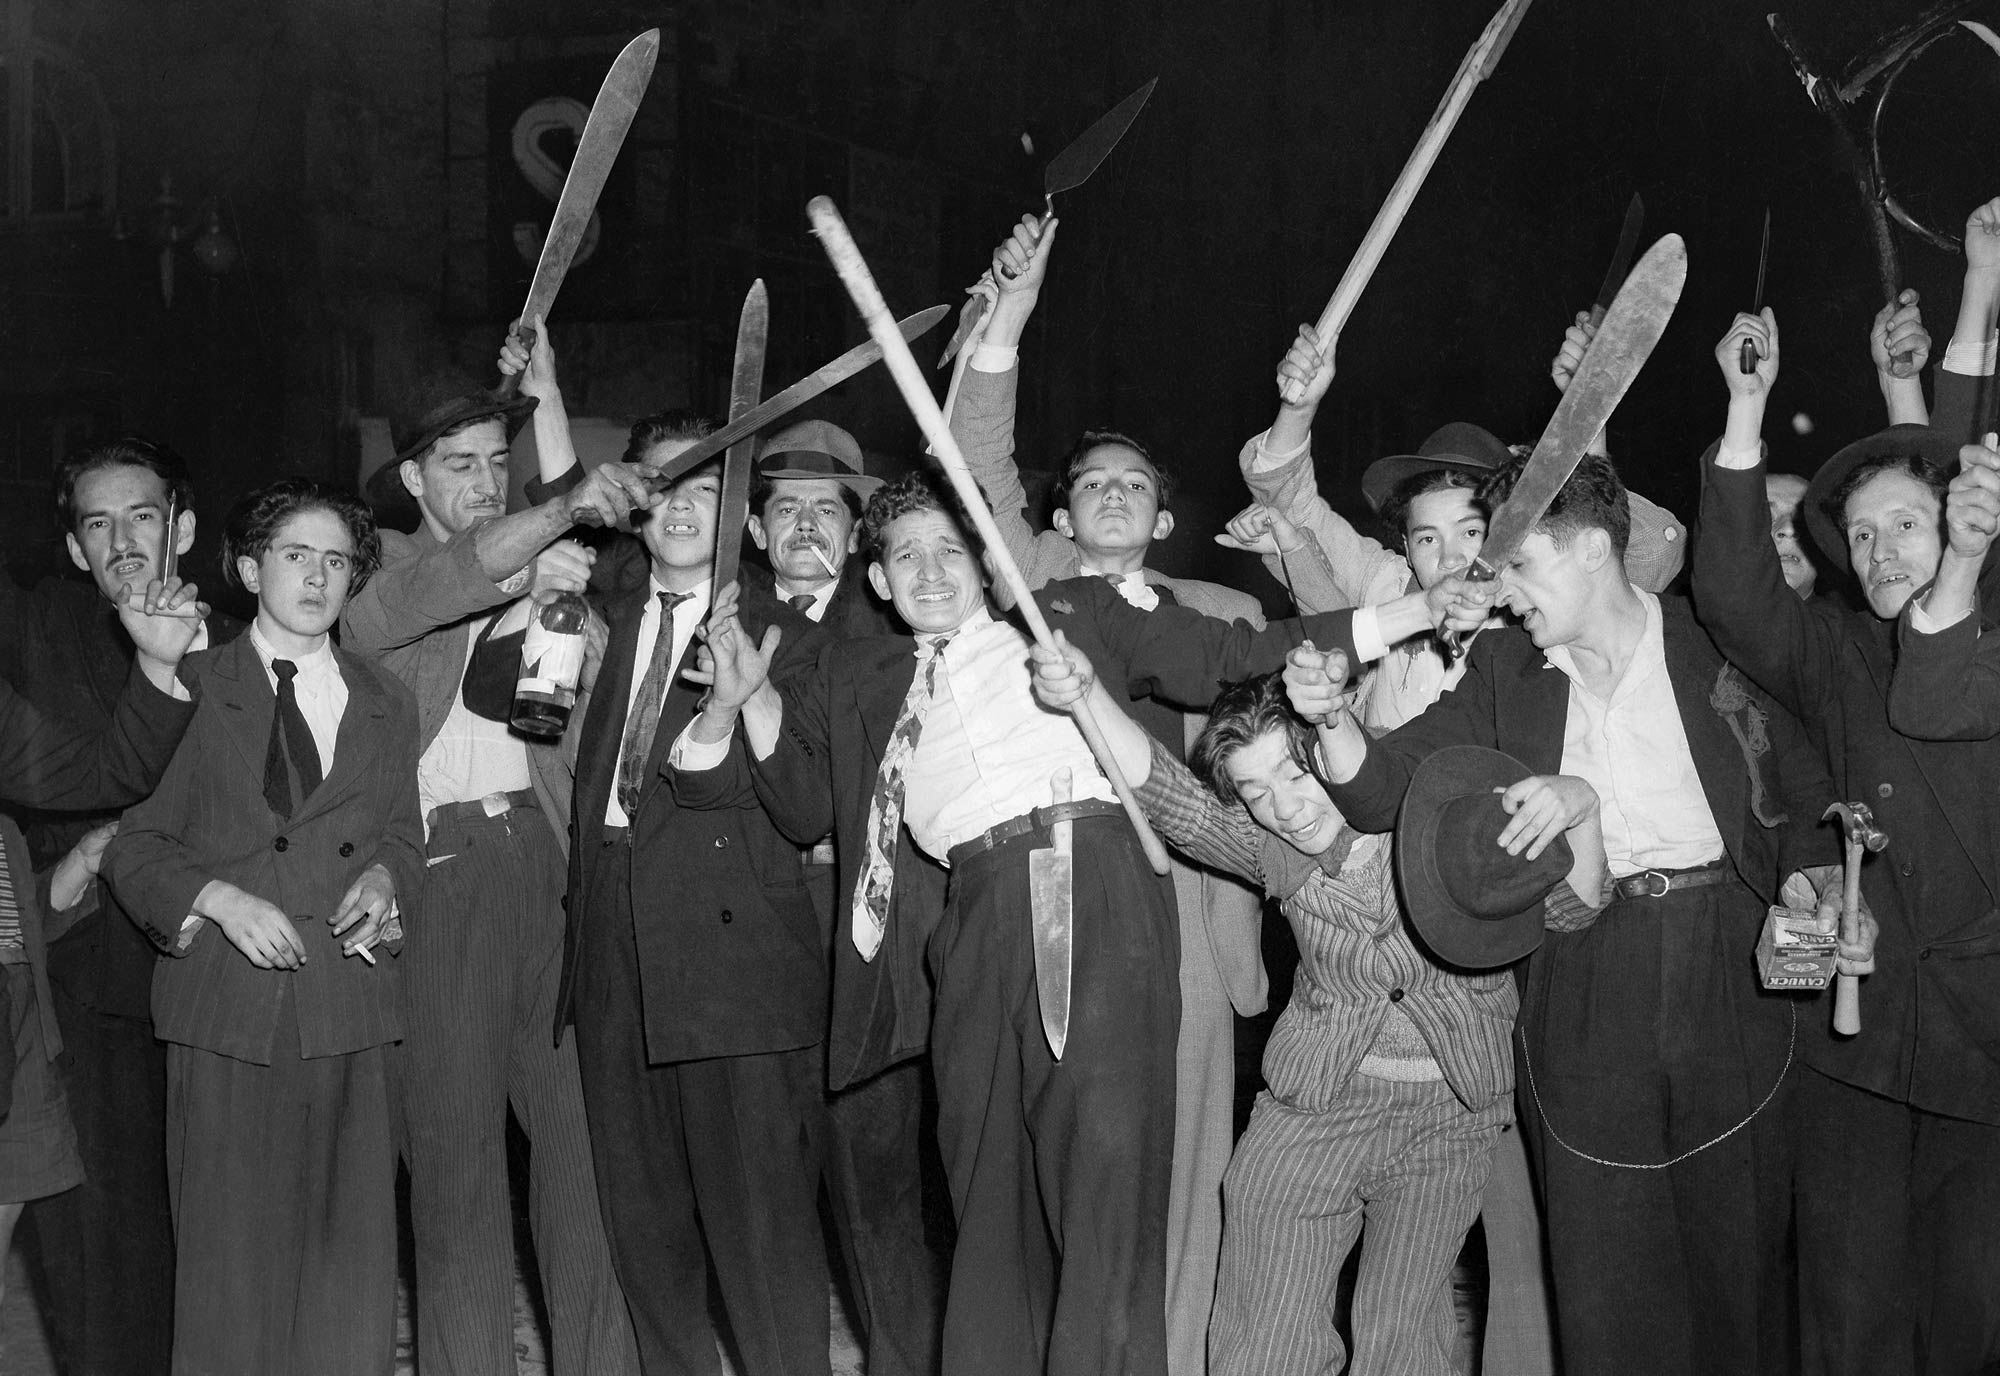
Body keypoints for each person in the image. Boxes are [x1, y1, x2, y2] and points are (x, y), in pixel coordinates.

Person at [675, 467, 1382, 1376]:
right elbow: (807, 809)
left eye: (951, 550)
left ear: (985, 559)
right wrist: (747, 701)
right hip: (969, 916)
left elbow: (1236, 654)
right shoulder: (857, 671)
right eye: (906, 556)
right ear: (879, 580)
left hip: (1090, 877)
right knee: (986, 1184)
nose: (932, 572)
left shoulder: (1066, 617)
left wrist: (1398, 616)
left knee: (1104, 1179)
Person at [1299, 450, 1855, 1376]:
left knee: (1740, 1253)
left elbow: (1803, 798)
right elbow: (1382, 791)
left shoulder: (1714, 644)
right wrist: (1331, 723)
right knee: (1603, 1263)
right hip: (1584, 965)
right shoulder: (1507, 674)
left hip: (1734, 962)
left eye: (1520, 562)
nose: (1502, 590)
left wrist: (1815, 892)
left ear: (1594, 549)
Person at [1219, 320, 1683, 1376]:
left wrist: (1590, 417)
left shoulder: (1537, 627)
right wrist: (1300, 399)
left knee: (1511, 1203)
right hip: (1368, 923)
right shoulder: (1386, 596)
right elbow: (1285, 487)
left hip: (1513, 919)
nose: (1442, 555)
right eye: (1420, 536)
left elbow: (1642, 550)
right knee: (1386, 1228)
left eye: (1466, 530)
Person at [1025, 643, 1605, 1376]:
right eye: (1255, 791)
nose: (1285, 808)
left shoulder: (1439, 819)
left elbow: (1573, 911)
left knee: (1405, 1338)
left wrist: (1580, 803)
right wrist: (1086, 695)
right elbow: (1173, 798)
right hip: (1315, 1107)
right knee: (1263, 1340)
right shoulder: (1269, 849)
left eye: (1295, 774)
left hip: (1451, 1115)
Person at [947, 213, 1271, 1375]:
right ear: (1058, 516)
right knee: (1067, 1158)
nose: (1116, 496)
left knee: (1180, 1161)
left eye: (1136, 484)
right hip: (1061, 898)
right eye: (1092, 484)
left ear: (1167, 516)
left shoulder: (1226, 620)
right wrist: (1009, 328)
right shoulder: (1032, 591)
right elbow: (976, 467)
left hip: (1189, 900)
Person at [1694, 198, 2000, 1374]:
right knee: (1850, 1317)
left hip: (1984, 1041)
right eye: (1858, 537)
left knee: (1968, 1318)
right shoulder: (1821, 647)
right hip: (1854, 1052)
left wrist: (1978, 286)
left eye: (1903, 526)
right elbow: (1730, 593)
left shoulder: (1980, 632)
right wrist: (1742, 407)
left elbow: (1968, 452)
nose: (1878, 551)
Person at [341, 345, 649, 1376]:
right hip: (436, 872)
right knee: (455, 1171)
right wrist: (547, 538)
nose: (479, 480)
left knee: (582, 1158)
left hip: (542, 863)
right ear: (413, 478)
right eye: (457, 463)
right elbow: (440, 590)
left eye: (491, 461)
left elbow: (592, 719)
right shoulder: (378, 566)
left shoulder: (539, 561)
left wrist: (568, 602)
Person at [103, 479, 420, 1375]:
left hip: (350, 1011)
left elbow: (404, 832)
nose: (317, 576)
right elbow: (134, 849)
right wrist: (216, 900)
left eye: (336, 561)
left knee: (349, 1275)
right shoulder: (189, 685)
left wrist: (392, 881)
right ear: (248, 569)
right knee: (229, 1278)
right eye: (294, 555)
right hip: (229, 1017)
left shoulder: (388, 700)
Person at [556, 435, 832, 1376]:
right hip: (608, 939)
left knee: (759, 1231)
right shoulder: (604, 610)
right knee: (645, 1222)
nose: (680, 505)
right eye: (666, 485)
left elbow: (805, 806)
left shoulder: (785, 629)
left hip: (732, 958)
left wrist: (743, 706)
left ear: (743, 520)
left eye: (709, 489)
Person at [0, 436, 232, 1376]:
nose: (121, 538)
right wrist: (75, 870)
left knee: (212, 1216)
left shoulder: (260, 628)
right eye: (97, 523)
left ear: (181, 526)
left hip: (220, 965)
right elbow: (80, 777)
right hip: (85, 968)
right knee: (96, 1227)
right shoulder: (35, 630)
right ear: (73, 548)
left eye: (141, 515)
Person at [735, 417, 946, 1376]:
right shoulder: (717, 618)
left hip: (867, 936)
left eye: (829, 510)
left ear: (860, 535)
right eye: (788, 509)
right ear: (755, 526)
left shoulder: (902, 628)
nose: (808, 526)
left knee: (880, 1188)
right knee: (765, 1188)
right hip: (747, 934)